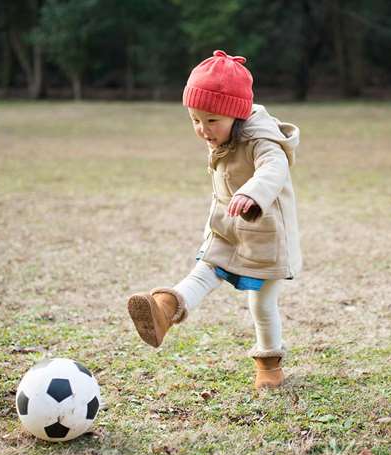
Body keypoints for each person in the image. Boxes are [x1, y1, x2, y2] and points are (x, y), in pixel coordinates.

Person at [127, 50, 301, 390]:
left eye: (211, 120)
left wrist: (253, 192)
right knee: (204, 270)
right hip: (227, 228)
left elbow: (275, 168)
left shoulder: (262, 139)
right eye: (195, 119)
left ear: (236, 115)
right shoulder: (224, 135)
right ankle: (163, 311)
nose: (203, 129)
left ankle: (269, 363)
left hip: (267, 234)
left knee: (262, 302)